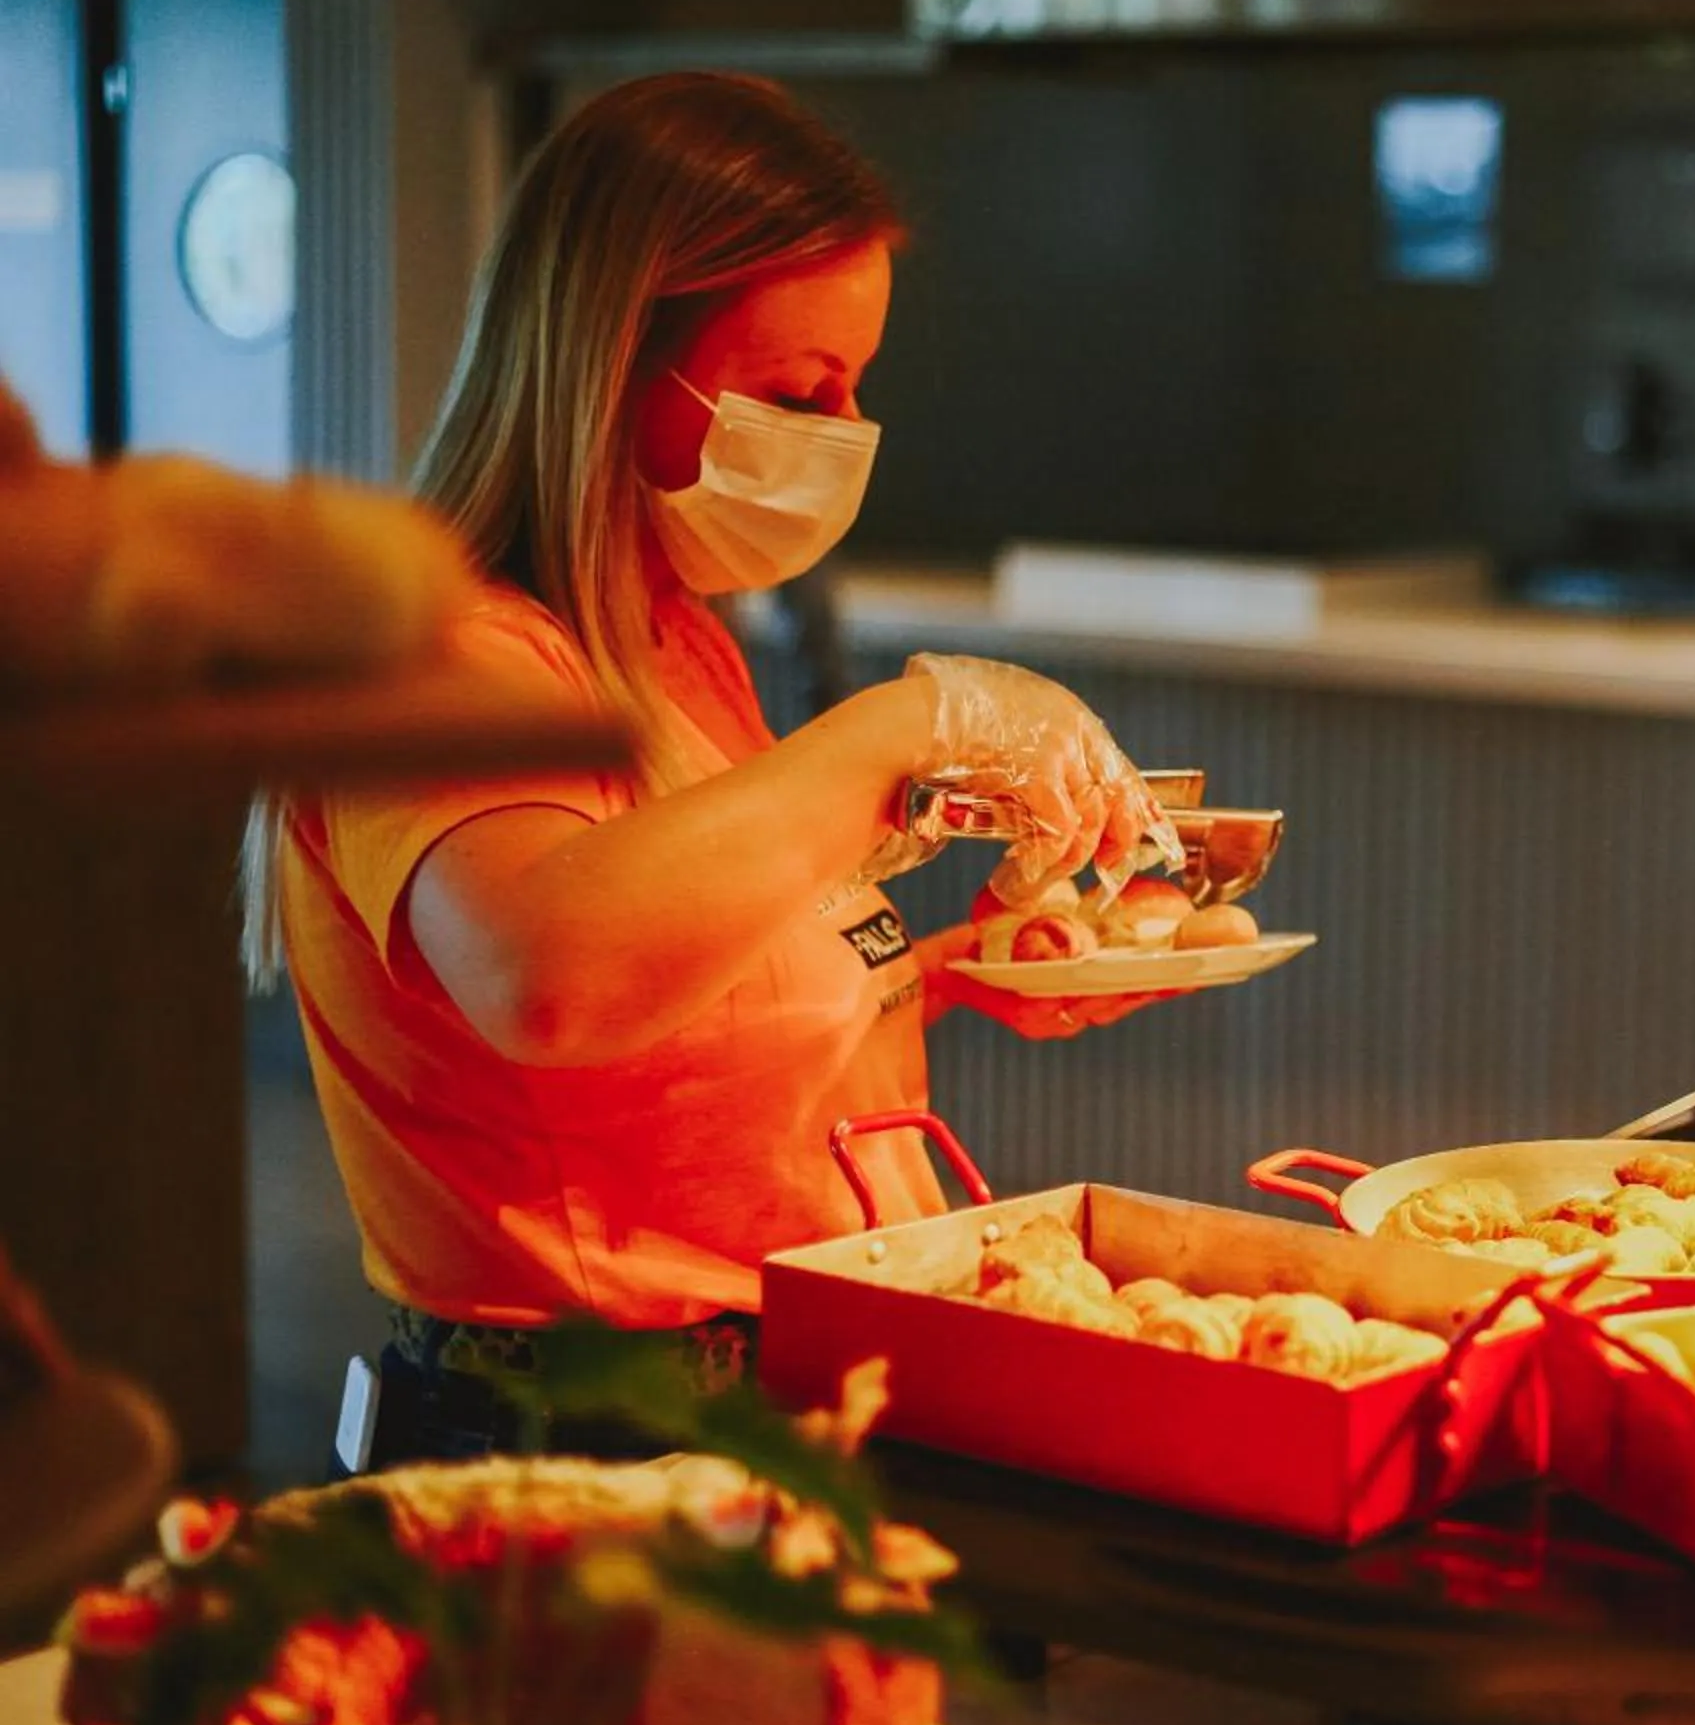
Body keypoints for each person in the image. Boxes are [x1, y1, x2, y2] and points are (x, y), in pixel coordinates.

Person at [236, 75, 1178, 1463]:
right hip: (579, 1438)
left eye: (855, 388)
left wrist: (946, 973)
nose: (844, 432)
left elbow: (695, 990)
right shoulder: (422, 664)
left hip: (786, 1394)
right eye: (800, 392)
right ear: (613, 359)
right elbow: (555, 975)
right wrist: (911, 722)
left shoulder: (677, 641)